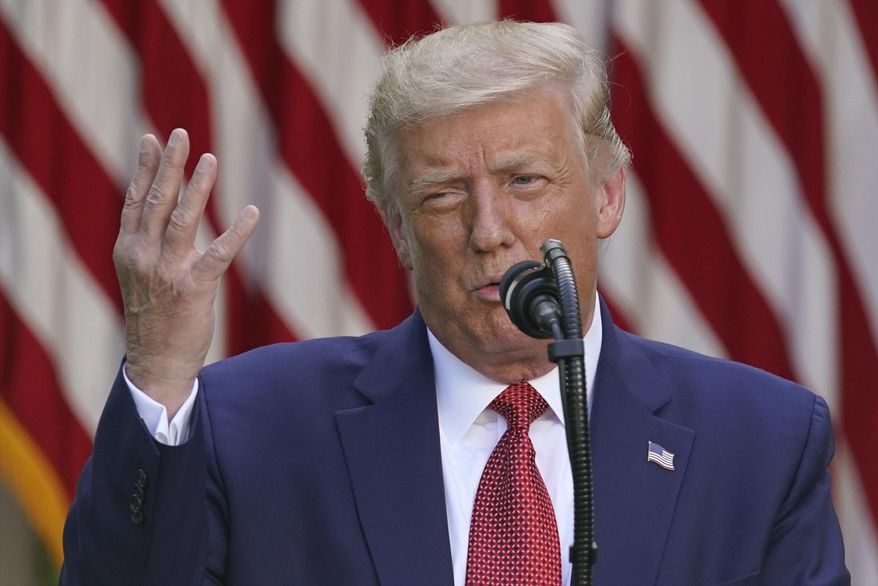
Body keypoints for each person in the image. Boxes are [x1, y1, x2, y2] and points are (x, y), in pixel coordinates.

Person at [60, 21, 849, 586]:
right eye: (442, 196)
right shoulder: (252, 427)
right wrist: (161, 366)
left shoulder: (761, 443)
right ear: (398, 231)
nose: (488, 230)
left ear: (608, 196)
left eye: (524, 181)